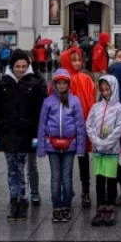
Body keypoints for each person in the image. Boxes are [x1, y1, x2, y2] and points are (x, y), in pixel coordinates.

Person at [0, 50, 46, 222]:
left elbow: (38, 113)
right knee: (11, 169)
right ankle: (13, 200)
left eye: (23, 66)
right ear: (11, 67)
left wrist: (37, 135)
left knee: (21, 167)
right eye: (17, 67)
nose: (20, 70)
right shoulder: (3, 84)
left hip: (25, 133)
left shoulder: (33, 84)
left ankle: (23, 200)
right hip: (7, 133)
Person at [38, 69, 88, 223]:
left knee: (66, 177)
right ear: (54, 84)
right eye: (58, 83)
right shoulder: (48, 101)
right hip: (52, 145)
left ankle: (66, 205)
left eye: (64, 83)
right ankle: (56, 206)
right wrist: (41, 147)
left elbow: (80, 125)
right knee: (55, 177)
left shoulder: (74, 101)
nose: (61, 86)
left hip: (70, 145)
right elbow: (42, 124)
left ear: (68, 84)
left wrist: (81, 148)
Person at [87, 75, 121, 227]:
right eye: (102, 90)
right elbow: (89, 125)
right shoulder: (96, 107)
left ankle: (110, 207)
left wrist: (106, 143)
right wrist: (97, 141)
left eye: (107, 89)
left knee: (111, 179)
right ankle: (100, 207)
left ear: (113, 88)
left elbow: (118, 130)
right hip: (98, 150)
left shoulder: (120, 109)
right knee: (99, 180)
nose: (105, 92)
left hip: (111, 151)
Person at [60, 46, 96, 208]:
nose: (76, 63)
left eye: (79, 60)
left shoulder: (86, 79)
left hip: (83, 125)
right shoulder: (62, 79)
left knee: (83, 158)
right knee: (65, 159)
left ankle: (85, 189)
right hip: (67, 127)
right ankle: (66, 189)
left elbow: (92, 100)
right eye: (73, 60)